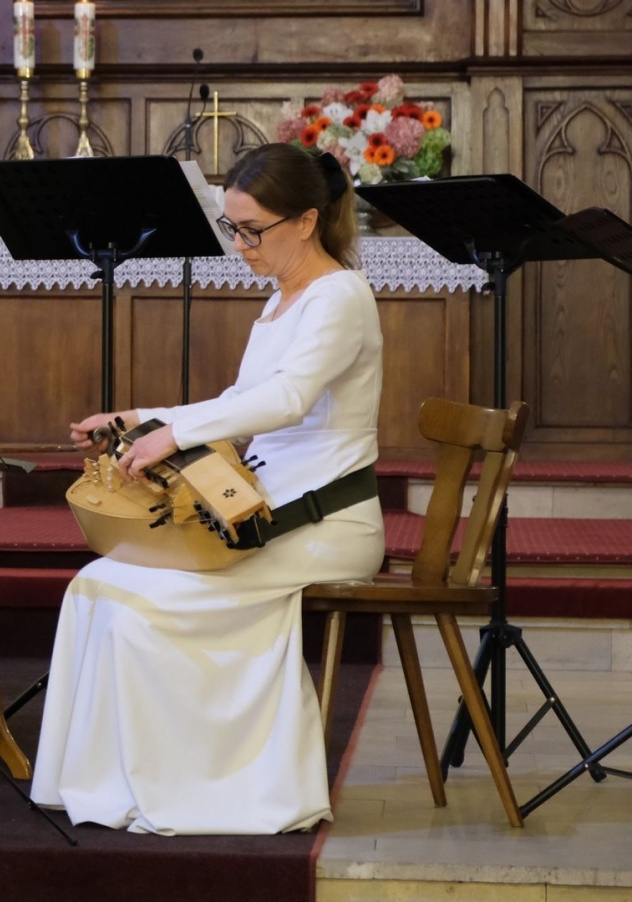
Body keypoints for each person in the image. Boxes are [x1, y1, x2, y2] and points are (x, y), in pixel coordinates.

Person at [29, 143, 385, 834]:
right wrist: (140, 421)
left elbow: (286, 399)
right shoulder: (283, 299)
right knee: (96, 583)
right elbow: (241, 398)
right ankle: (101, 780)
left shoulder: (341, 295)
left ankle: (206, 786)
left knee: (141, 607)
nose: (241, 244)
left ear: (307, 220)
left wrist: (171, 436)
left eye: (253, 230)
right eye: (233, 228)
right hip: (265, 511)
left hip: (326, 526)